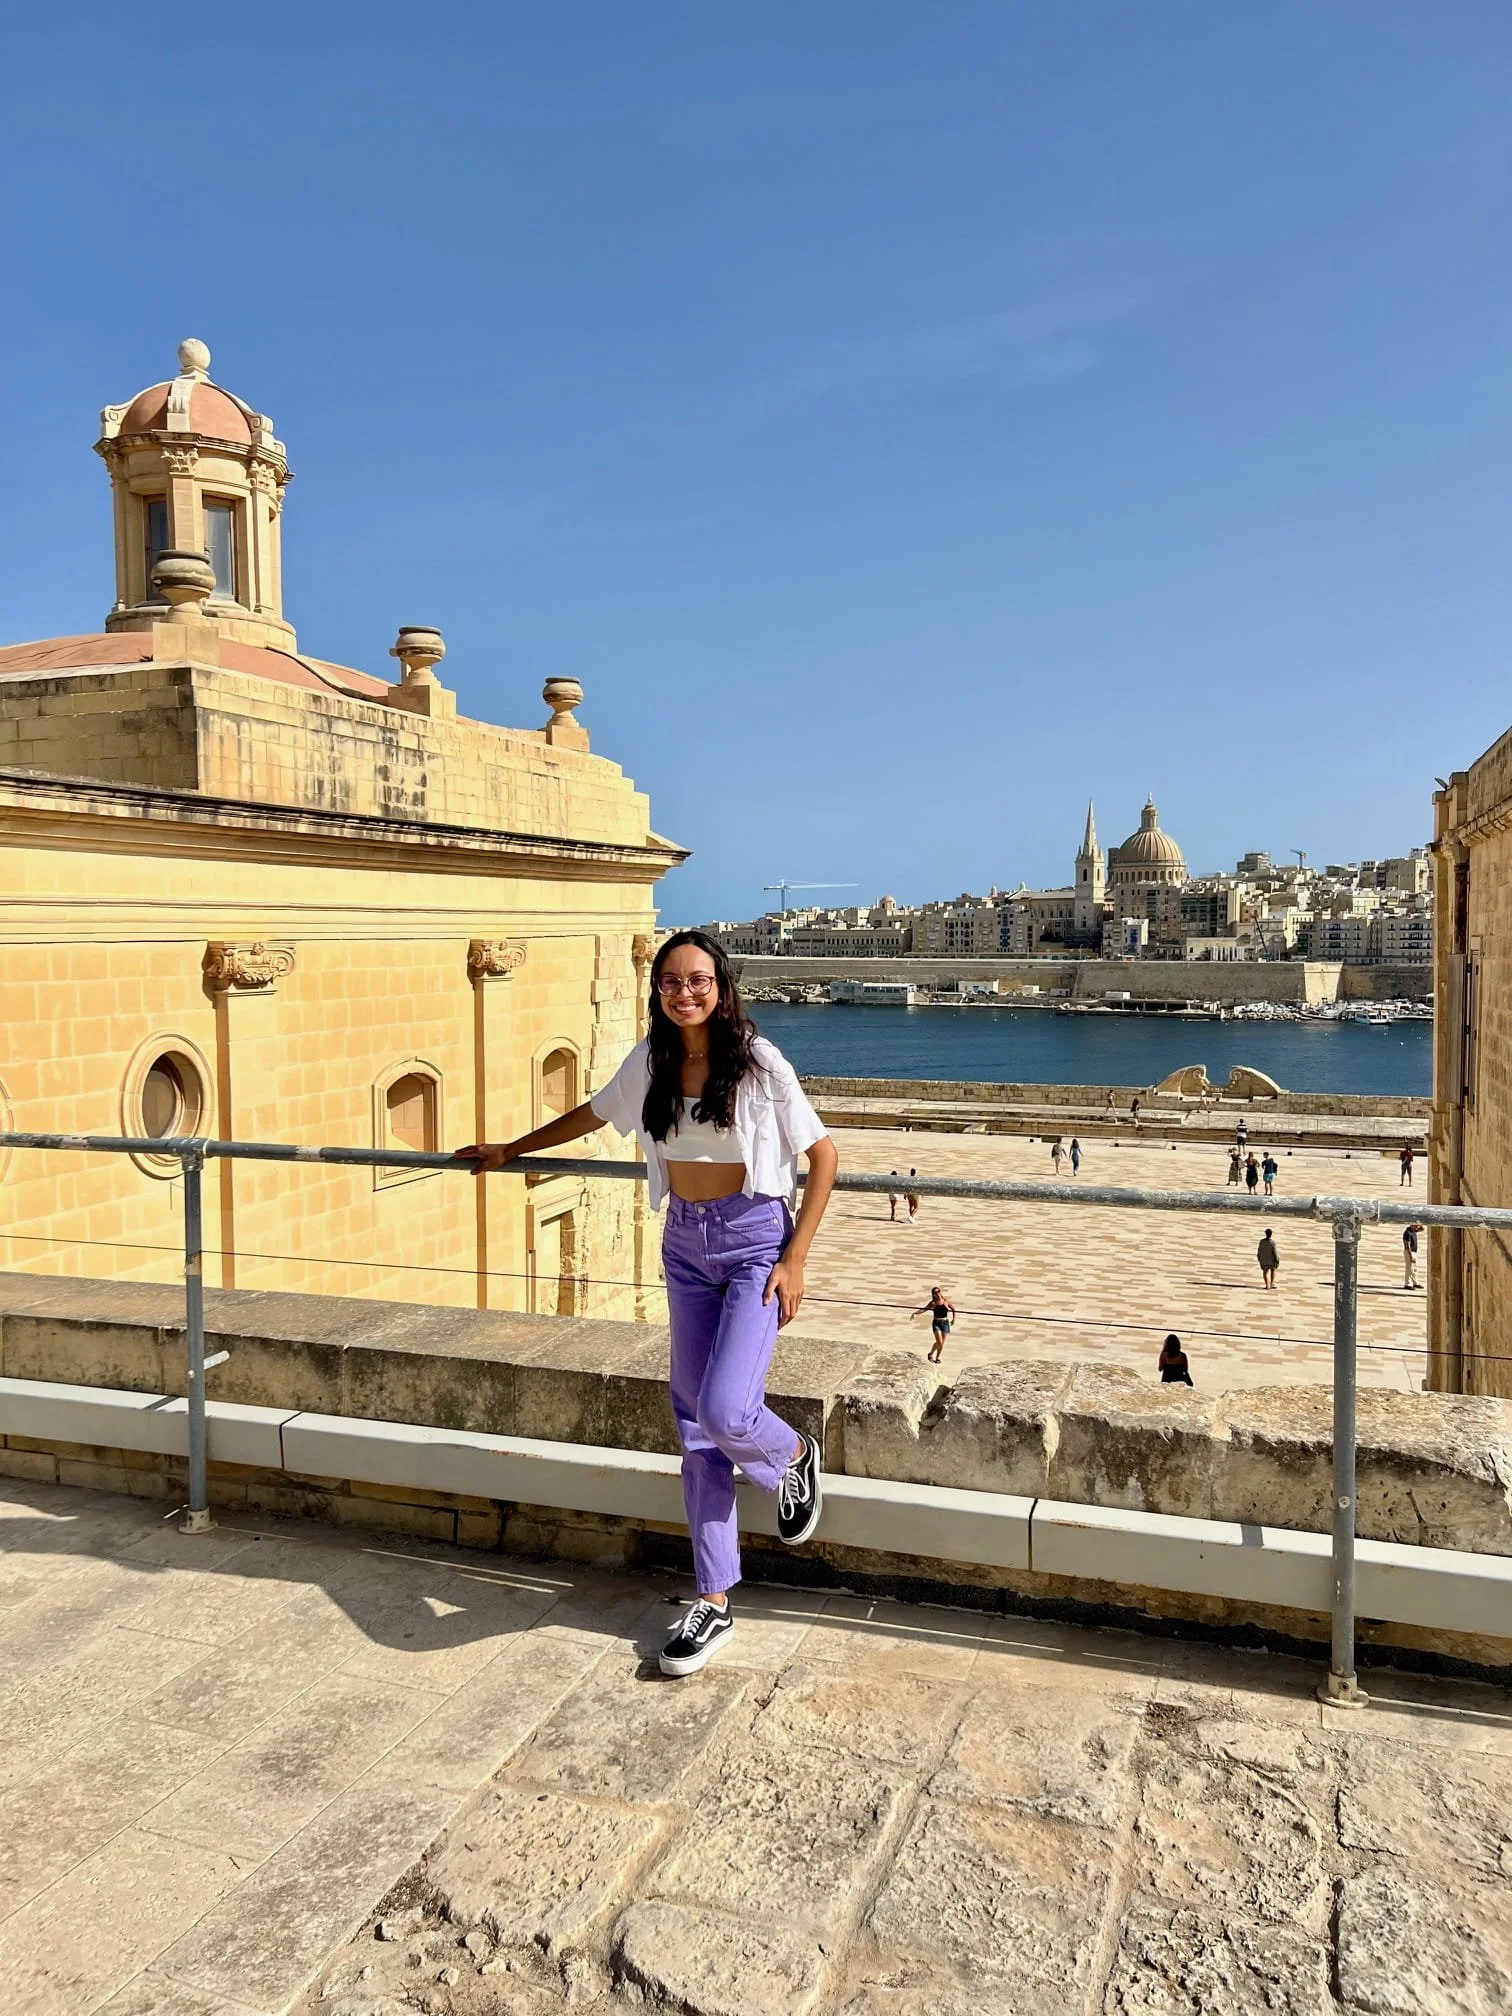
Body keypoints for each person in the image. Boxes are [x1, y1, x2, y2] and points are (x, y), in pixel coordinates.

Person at [459, 928, 838, 1679]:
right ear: (657, 992)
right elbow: (595, 1116)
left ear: (721, 988)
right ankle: (714, 1599)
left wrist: (795, 1259)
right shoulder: (651, 1061)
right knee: (694, 1426)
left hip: (753, 1242)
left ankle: (792, 1456)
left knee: (728, 1410)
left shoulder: (758, 1064)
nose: (684, 993)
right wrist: (510, 1150)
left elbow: (822, 1156)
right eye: (671, 983)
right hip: (685, 1246)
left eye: (698, 981)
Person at [913, 1285, 957, 1364]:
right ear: (933, 1294)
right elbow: (924, 1309)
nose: (937, 1293)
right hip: (937, 1323)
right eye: (935, 1292)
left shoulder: (946, 1301)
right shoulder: (933, 1303)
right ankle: (931, 1354)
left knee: (941, 1343)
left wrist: (954, 1319)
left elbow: (953, 1309)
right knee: (939, 1341)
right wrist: (915, 1313)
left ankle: (937, 1357)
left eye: (938, 1291)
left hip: (945, 1323)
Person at [1403, 1221, 1422, 1289]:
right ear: (1412, 1225)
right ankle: (1409, 1283)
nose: (1417, 1227)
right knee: (1410, 1268)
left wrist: (1419, 1224)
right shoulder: (1407, 1233)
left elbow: (1422, 1229)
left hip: (1414, 1252)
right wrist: (1411, 1256)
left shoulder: (1413, 1231)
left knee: (1413, 1268)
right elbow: (1407, 1245)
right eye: (1416, 1225)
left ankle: (1413, 1282)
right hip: (1409, 1252)